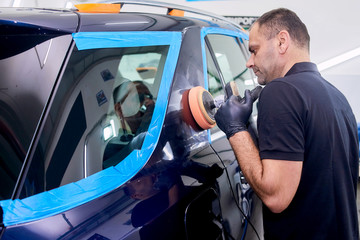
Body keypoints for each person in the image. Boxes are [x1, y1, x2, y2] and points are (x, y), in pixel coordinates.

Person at [215, 8, 359, 240]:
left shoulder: (280, 91)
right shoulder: (336, 97)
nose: (249, 62)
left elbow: (276, 197)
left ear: (282, 42)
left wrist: (236, 130)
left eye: (254, 50)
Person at [103, 80, 155, 168]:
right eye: (138, 98)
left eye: (148, 96)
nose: (147, 102)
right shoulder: (113, 147)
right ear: (119, 109)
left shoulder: (156, 128)